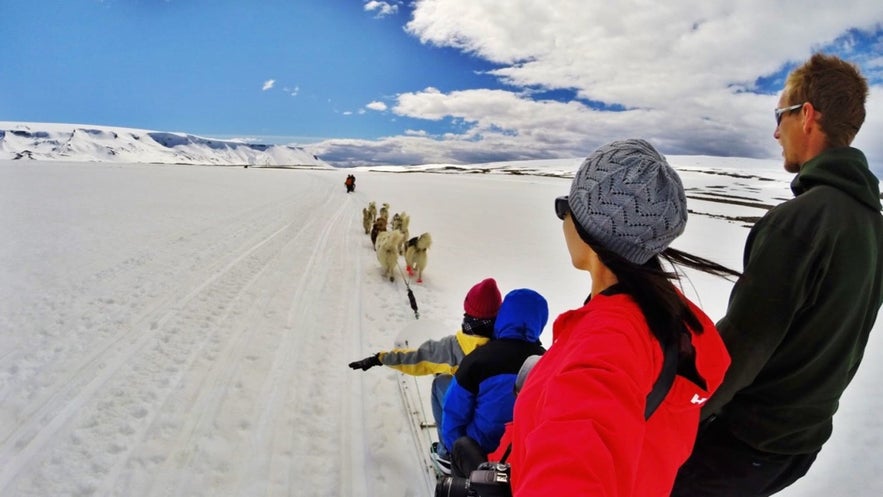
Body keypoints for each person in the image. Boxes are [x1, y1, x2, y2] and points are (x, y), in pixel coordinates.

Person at [671, 53, 883, 497]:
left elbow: (738, 351)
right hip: (798, 444)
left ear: (806, 116)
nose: (774, 131)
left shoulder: (800, 222)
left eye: (779, 115)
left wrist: (672, 415)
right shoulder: (871, 222)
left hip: (741, 444)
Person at [498, 139, 736, 497]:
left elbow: (575, 455)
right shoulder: (672, 320)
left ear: (590, 230)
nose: (563, 217)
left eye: (566, 206)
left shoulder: (607, 342)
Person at [347, 277, 502, 471]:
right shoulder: (511, 346)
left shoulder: (454, 347)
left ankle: (447, 453)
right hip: (502, 430)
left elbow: (417, 358)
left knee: (442, 382)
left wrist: (380, 358)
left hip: (472, 429)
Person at [441, 288, 547, 478]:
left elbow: (453, 413)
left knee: (460, 445)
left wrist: (453, 450)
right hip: (521, 462)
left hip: (479, 456)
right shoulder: (548, 363)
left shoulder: (478, 360)